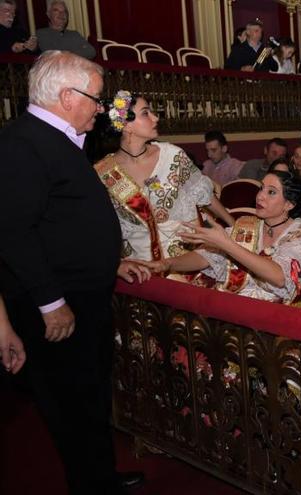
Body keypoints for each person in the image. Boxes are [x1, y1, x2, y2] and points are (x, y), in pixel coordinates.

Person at [0, 51, 150, 495]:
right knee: (72, 402)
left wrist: (109, 260)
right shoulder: (23, 144)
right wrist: (51, 302)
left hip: (80, 293)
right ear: (68, 96)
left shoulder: (53, 139)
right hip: (59, 304)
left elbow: (57, 221)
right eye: (96, 99)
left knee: (90, 397)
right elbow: (12, 232)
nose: (101, 108)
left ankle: (99, 477)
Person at [94, 90, 233, 262]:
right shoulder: (103, 172)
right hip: (140, 267)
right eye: (146, 113)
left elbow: (205, 196)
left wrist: (233, 227)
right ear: (126, 125)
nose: (155, 118)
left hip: (188, 259)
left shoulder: (172, 155)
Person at [144, 172, 301, 304]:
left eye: (271, 192)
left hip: (275, 312)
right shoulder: (248, 225)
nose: (260, 196)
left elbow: (280, 277)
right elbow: (205, 256)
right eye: (261, 188)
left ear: (289, 204)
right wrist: (168, 263)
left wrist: (227, 245)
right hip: (236, 303)